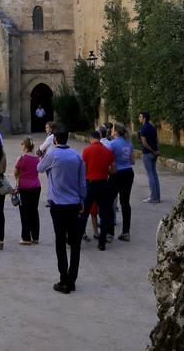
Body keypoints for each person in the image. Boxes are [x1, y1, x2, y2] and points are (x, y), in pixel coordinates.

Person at [37, 125, 86, 294]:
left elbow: (39, 168)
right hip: (74, 204)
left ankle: (63, 278)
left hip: (58, 205)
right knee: (75, 243)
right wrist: (82, 201)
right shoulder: (76, 156)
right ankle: (72, 279)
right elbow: (82, 183)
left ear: (55, 139)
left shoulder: (52, 154)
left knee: (60, 241)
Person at [80, 130, 115, 251]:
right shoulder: (108, 151)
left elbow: (83, 169)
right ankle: (102, 243)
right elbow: (113, 170)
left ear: (90, 138)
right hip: (103, 184)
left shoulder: (87, 150)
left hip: (90, 184)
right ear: (100, 138)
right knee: (104, 214)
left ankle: (78, 239)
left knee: (85, 212)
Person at [107, 123, 135, 242]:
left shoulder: (112, 144)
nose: (111, 131)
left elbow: (107, 159)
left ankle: (109, 233)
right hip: (128, 172)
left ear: (116, 132)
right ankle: (126, 232)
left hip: (116, 173)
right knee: (125, 202)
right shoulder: (129, 143)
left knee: (108, 201)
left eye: (112, 129)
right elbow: (132, 160)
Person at [14, 136, 41, 245]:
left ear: (25, 146)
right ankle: (35, 237)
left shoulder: (22, 158)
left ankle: (26, 237)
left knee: (24, 212)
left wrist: (18, 179)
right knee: (34, 211)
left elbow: (15, 172)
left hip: (24, 187)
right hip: (36, 186)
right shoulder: (37, 158)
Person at [138, 110, 161, 203]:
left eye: (140, 117)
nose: (139, 118)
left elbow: (145, 143)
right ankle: (157, 196)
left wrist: (152, 151)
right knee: (154, 174)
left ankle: (153, 197)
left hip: (148, 154)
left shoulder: (143, 129)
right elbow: (157, 140)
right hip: (154, 153)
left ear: (144, 118)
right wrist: (156, 150)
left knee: (150, 175)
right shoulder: (152, 127)